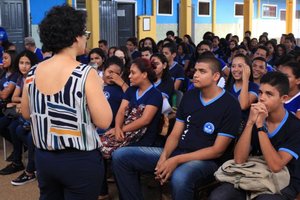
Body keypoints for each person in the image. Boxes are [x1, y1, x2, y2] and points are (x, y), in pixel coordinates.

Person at [112, 56, 241, 200]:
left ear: (216, 76)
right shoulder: (189, 96)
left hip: (206, 161)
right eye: (195, 70)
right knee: (121, 156)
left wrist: (176, 160)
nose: (195, 75)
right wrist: (164, 157)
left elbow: (217, 151)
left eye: (202, 71)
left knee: (180, 177)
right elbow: (175, 134)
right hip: (178, 152)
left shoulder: (230, 104)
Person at [21, 5, 112, 200]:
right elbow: (104, 121)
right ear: (75, 37)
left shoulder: (33, 72)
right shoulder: (86, 73)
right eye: (85, 33)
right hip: (79, 161)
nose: (86, 37)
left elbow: (26, 113)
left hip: (44, 158)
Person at [209, 72, 300, 200]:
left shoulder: (295, 126)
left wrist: (260, 126)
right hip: (253, 174)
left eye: (269, 94)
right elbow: (239, 159)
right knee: (219, 196)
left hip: (283, 181)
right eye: (260, 92)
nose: (262, 98)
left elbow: (276, 166)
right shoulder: (255, 118)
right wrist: (250, 123)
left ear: (283, 98)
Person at [0, 50, 38, 177]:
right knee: (12, 127)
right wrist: (23, 102)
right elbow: (14, 98)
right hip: (22, 112)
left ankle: (21, 162)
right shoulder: (21, 78)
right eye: (21, 62)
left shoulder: (35, 79)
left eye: (27, 63)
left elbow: (35, 100)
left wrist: (22, 103)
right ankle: (18, 159)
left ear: (33, 65)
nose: (24, 66)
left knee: (15, 128)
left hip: (32, 115)